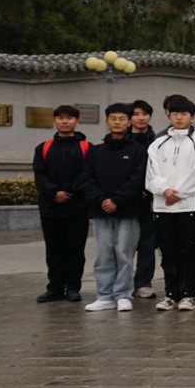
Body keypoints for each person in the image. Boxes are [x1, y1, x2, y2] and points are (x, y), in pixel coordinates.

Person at [146, 96, 195, 311]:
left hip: (191, 206)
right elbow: (151, 172)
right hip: (163, 206)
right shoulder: (157, 143)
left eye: (184, 114)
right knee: (168, 252)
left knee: (189, 251)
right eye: (175, 113)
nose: (179, 117)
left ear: (192, 117)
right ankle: (170, 293)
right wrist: (163, 190)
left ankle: (189, 294)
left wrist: (179, 193)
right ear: (168, 116)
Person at [79, 103, 146, 312]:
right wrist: (102, 200)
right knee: (104, 254)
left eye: (122, 119)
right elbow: (87, 178)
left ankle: (123, 294)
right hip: (101, 211)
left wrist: (117, 200)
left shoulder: (138, 151)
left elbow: (137, 179)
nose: (117, 122)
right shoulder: (95, 151)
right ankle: (104, 295)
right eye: (113, 119)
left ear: (129, 122)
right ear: (107, 122)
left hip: (127, 210)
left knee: (124, 253)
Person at [33, 103, 90, 304]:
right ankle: (55, 288)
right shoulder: (43, 148)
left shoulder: (87, 148)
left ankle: (73, 287)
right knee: (54, 250)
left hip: (77, 207)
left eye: (69, 118)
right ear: (54, 121)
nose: (65, 121)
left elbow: (87, 174)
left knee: (75, 250)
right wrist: (54, 193)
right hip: (51, 207)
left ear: (77, 122)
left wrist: (70, 192)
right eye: (60, 118)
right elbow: (40, 175)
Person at [127, 99, 161, 300]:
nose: (140, 118)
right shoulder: (121, 140)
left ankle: (143, 283)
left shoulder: (157, 142)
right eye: (136, 114)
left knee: (147, 244)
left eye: (144, 114)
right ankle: (122, 284)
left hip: (150, 201)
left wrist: (149, 190)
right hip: (126, 201)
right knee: (124, 245)